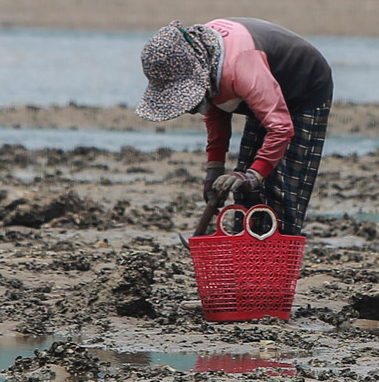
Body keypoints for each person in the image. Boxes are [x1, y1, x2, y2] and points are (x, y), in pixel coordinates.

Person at [135, 17, 333, 236]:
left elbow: (280, 128)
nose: (189, 110)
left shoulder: (241, 65)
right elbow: (215, 115)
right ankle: (247, 257)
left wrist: (254, 175)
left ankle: (276, 263)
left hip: (304, 90)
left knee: (281, 190)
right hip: (266, 93)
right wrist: (214, 168)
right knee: (244, 189)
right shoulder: (205, 58)